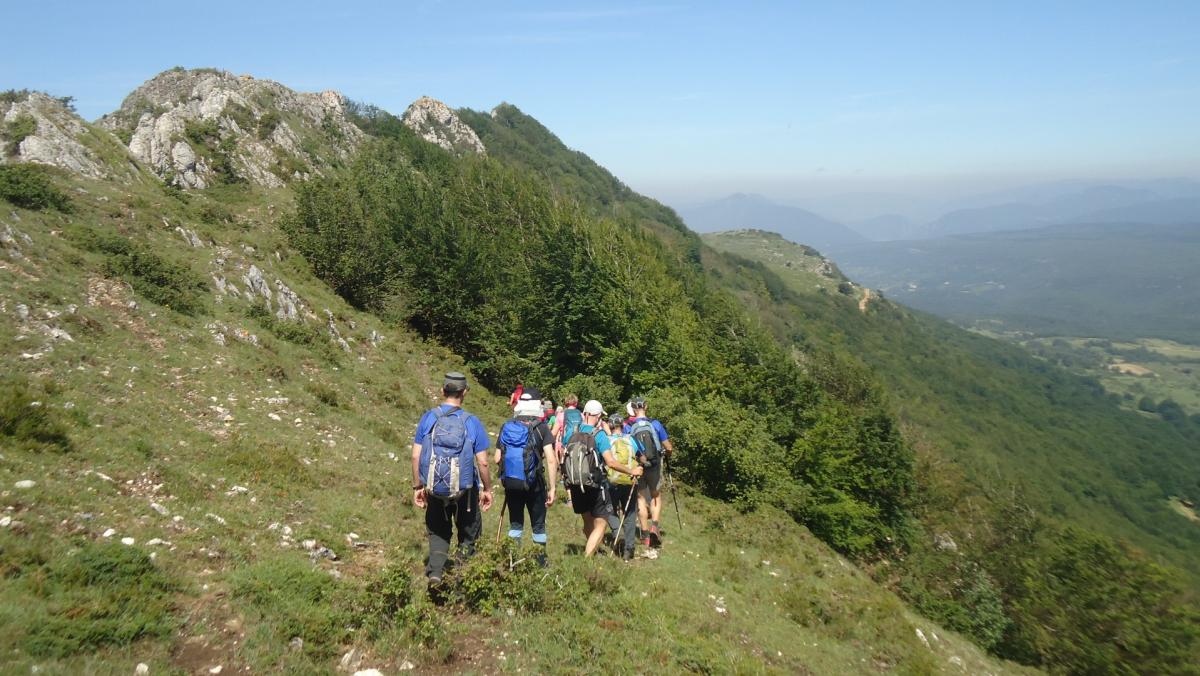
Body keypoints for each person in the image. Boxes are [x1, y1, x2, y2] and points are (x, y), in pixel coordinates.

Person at [412, 372, 494, 585]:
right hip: (465, 490)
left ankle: (436, 572)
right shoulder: (472, 422)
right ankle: (460, 580)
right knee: (469, 534)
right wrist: (487, 489)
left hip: (434, 487)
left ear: (442, 391)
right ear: (464, 392)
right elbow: (483, 462)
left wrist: (418, 486)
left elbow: (416, 455)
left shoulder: (429, 417)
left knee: (438, 530)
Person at [564, 400, 642, 556]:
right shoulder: (599, 436)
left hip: (574, 482)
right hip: (593, 484)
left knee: (587, 520)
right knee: (602, 522)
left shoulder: (570, 432)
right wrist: (631, 470)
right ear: (598, 416)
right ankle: (588, 558)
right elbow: (611, 462)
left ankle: (593, 550)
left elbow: (563, 454)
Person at [493, 396, 557, 565]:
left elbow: (497, 458)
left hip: (513, 483)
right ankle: (540, 562)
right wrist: (552, 488)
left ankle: (512, 562)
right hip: (535, 484)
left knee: (515, 524)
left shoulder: (507, 427)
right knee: (538, 525)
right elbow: (551, 459)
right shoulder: (541, 428)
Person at [626, 397, 672, 547]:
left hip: (638, 466)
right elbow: (668, 447)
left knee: (640, 498)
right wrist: (666, 453)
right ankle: (655, 526)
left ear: (632, 409)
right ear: (646, 406)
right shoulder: (655, 424)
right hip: (654, 465)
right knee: (655, 495)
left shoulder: (628, 426)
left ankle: (645, 535)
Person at [604, 413, 644, 560]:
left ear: (610, 425)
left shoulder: (606, 440)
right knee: (630, 514)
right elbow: (642, 456)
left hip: (612, 481)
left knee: (609, 509)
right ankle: (629, 549)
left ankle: (617, 533)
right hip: (630, 480)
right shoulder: (631, 439)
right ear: (622, 425)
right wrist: (640, 466)